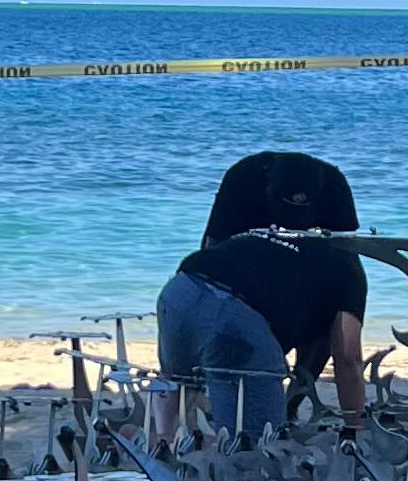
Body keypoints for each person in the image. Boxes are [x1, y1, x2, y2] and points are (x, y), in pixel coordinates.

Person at [154, 149, 368, 441]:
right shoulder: (349, 275)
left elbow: (211, 248)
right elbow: (348, 358)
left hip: (180, 291)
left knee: (177, 381)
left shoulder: (258, 231)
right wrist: (354, 428)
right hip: (234, 313)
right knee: (258, 445)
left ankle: (159, 441)